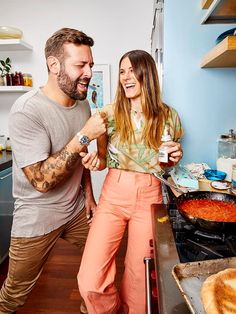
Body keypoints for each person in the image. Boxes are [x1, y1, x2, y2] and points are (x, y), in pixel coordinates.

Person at [0, 27, 107, 314]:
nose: (88, 72)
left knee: (99, 262)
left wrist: (89, 197)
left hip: (75, 210)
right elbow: (41, 181)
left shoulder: (82, 103)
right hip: (37, 216)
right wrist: (84, 135)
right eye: (80, 65)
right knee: (14, 293)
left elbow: (79, 159)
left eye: (91, 65)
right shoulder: (27, 111)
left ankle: (89, 308)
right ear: (54, 65)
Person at [77, 49, 184, 313]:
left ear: (146, 74)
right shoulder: (107, 115)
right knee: (90, 280)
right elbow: (102, 160)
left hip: (149, 196)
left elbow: (166, 162)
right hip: (114, 195)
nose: (125, 77)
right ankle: (110, 308)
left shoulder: (168, 115)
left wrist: (175, 157)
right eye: (122, 71)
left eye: (131, 70)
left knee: (140, 282)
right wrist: (94, 161)